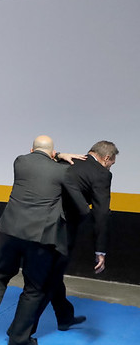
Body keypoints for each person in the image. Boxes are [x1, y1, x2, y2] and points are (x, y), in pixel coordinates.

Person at [0, 135, 84, 345]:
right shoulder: (62, 171)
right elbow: (80, 208)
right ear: (53, 153)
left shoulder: (20, 161)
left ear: (31, 150)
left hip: (9, 231)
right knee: (34, 288)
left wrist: (56, 154)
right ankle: (19, 338)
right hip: (39, 237)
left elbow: (39, 156)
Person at [36, 140, 119, 331]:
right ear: (106, 158)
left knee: (53, 275)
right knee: (49, 278)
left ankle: (64, 316)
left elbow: (37, 158)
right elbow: (101, 214)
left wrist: (57, 155)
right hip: (63, 230)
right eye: (111, 162)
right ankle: (22, 329)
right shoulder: (101, 174)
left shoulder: (66, 162)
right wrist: (100, 250)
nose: (110, 166)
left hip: (38, 223)